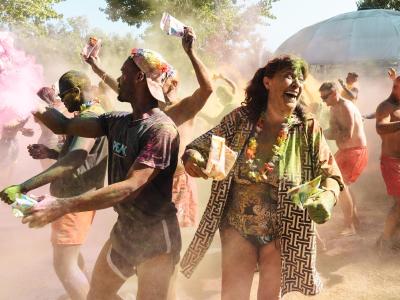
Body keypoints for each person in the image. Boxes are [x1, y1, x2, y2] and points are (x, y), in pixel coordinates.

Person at [6, 48, 182, 300]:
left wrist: (62, 205)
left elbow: (130, 186)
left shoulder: (161, 130)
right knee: (96, 296)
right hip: (125, 231)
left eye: (124, 73)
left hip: (156, 237)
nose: (118, 79)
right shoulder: (117, 121)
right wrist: (19, 92)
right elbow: (63, 124)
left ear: (140, 78)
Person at [181, 55, 343, 299]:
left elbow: (332, 175)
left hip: (283, 230)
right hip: (237, 227)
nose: (297, 84)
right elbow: (197, 146)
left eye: (300, 79)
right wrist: (192, 158)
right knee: (233, 295)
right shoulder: (240, 119)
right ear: (268, 82)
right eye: (289, 76)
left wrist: (327, 198)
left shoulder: (307, 126)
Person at [85, 27, 213, 228]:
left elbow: (207, 89)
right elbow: (121, 87)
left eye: (168, 80)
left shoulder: (184, 108)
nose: (163, 83)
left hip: (176, 183)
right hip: (149, 182)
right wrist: (97, 69)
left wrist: (191, 52)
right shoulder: (149, 109)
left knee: (169, 235)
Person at [1, 71, 108, 300]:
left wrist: (24, 187)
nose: (63, 101)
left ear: (76, 92)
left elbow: (73, 161)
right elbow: (72, 144)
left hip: (72, 202)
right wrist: (51, 152)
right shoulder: (86, 114)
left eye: (64, 96)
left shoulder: (90, 118)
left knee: (64, 267)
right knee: (72, 258)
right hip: (71, 200)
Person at [320, 81, 367, 236]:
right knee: (342, 186)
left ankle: (350, 227)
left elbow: (346, 135)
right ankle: (355, 221)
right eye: (322, 99)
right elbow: (335, 131)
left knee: (341, 186)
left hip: (355, 152)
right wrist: (319, 131)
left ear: (334, 93)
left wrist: (320, 132)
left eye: (325, 98)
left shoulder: (346, 106)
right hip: (345, 151)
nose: (324, 102)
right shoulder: (334, 107)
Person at [375, 75, 400, 253]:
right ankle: (385, 240)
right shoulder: (385, 107)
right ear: (395, 87)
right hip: (392, 162)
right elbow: (380, 128)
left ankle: (390, 238)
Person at [0, 116, 34, 184]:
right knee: (4, 166)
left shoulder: (17, 118)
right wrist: (20, 125)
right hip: (4, 145)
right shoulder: (3, 116)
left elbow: (28, 133)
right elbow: (8, 126)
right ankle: (3, 183)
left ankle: (6, 183)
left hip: (13, 145)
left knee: (11, 164)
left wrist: (27, 131)